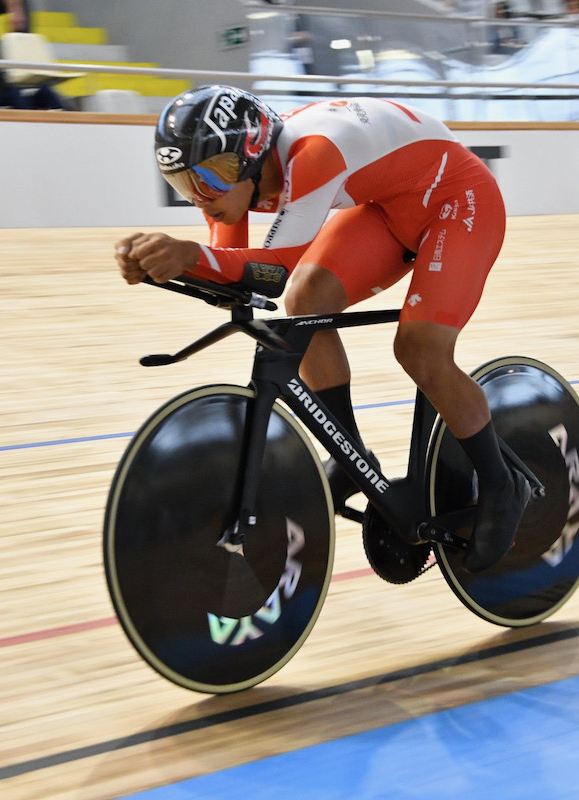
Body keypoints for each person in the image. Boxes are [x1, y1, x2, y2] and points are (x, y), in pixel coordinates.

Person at [114, 86, 531, 573]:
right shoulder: (239, 182)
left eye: (213, 176)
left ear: (251, 155)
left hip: (458, 201)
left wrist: (189, 256)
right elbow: (235, 271)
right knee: (305, 304)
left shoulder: (313, 154)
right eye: (185, 183)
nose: (202, 197)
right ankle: (351, 454)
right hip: (389, 208)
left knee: (420, 349)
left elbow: (275, 267)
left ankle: (503, 484)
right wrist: (168, 264)